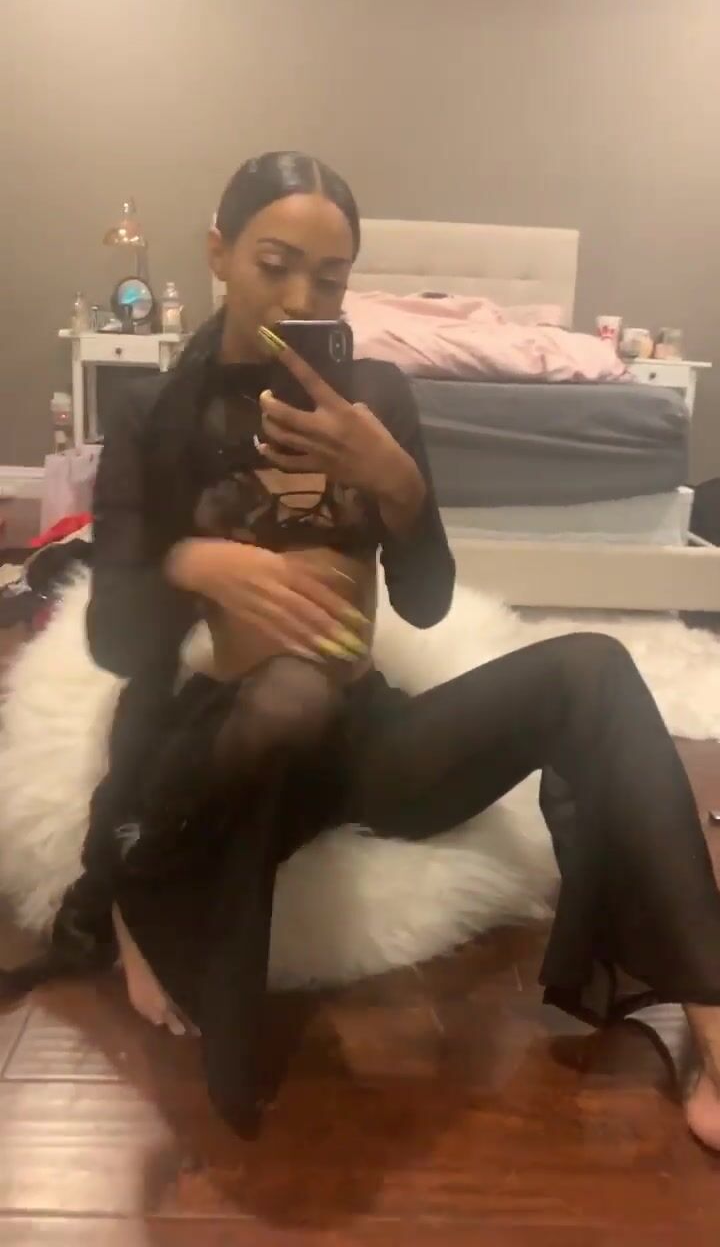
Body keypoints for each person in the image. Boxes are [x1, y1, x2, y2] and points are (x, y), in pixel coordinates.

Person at [7, 151, 720, 1148]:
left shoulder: (376, 394)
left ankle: (715, 1027)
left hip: (364, 732)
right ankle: (152, 895)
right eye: (274, 265)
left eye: (330, 278)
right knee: (289, 692)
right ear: (219, 252)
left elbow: (426, 600)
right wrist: (196, 563)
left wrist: (400, 485)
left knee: (592, 667)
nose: (301, 298)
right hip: (231, 745)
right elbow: (114, 634)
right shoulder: (155, 415)